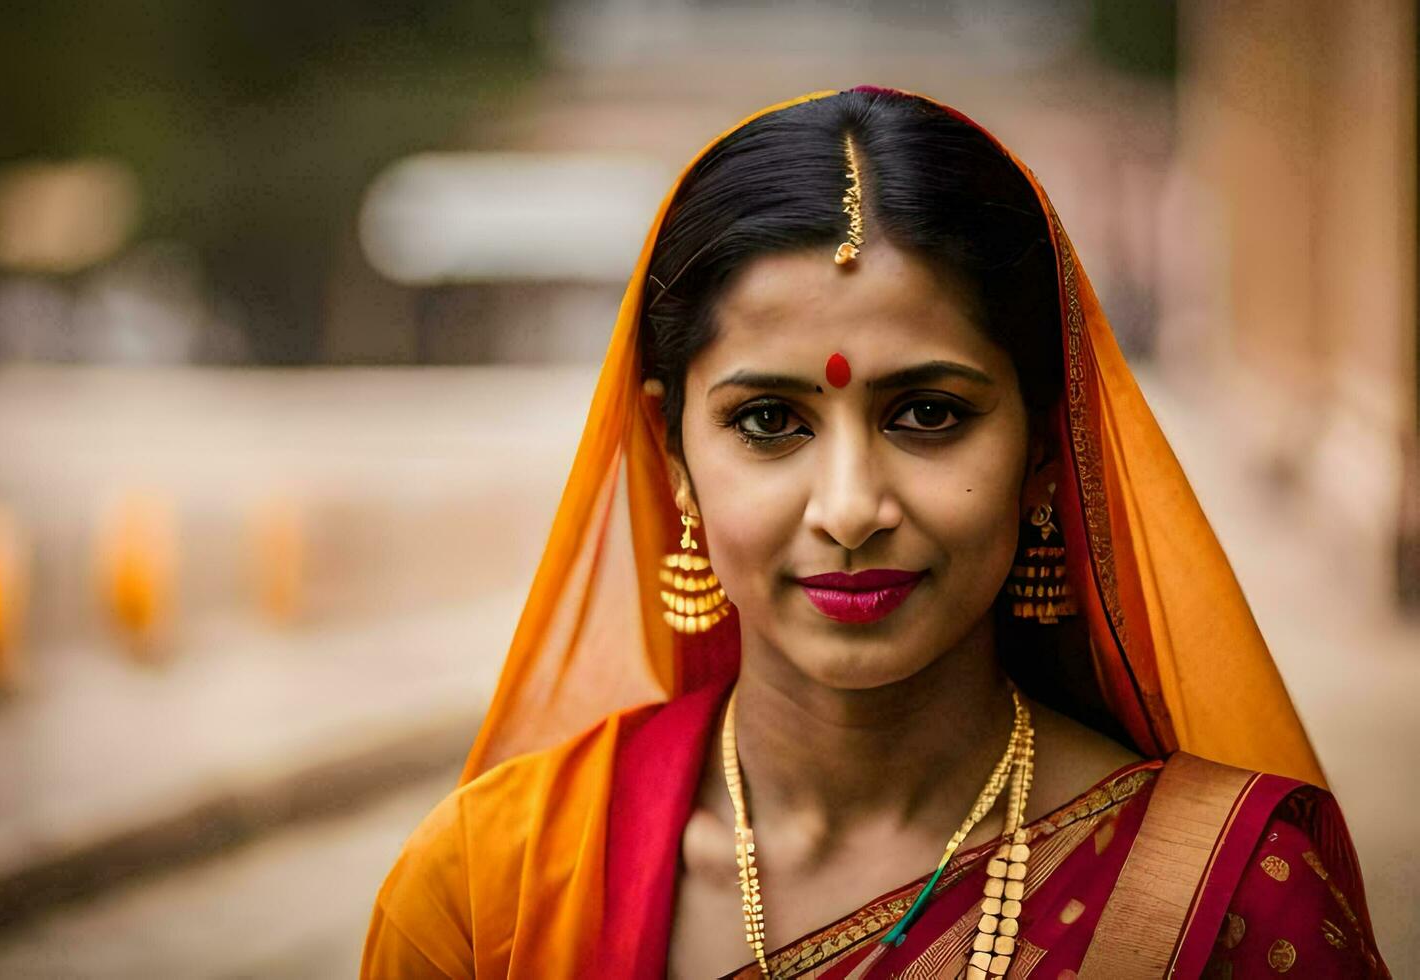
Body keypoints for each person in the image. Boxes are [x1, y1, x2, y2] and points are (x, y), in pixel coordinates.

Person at [360, 88, 1390, 979]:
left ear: (1043, 449)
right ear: (672, 455)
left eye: (929, 413)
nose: (849, 508)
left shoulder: (1233, 898)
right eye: (770, 422)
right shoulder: (488, 891)